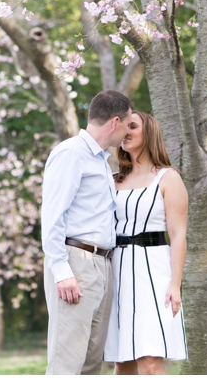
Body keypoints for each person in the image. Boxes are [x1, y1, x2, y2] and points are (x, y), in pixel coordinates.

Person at [42, 89, 134, 375]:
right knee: (66, 364)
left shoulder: (101, 161)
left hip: (102, 265)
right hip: (76, 262)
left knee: (91, 365)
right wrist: (62, 271)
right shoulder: (71, 153)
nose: (128, 133)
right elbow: (52, 216)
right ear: (115, 122)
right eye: (129, 124)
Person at [104, 111, 189, 374]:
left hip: (153, 271)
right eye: (123, 127)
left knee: (150, 361)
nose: (125, 132)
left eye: (133, 126)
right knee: (122, 362)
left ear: (149, 132)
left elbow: (178, 235)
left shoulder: (168, 178)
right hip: (116, 271)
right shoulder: (113, 180)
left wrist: (175, 283)